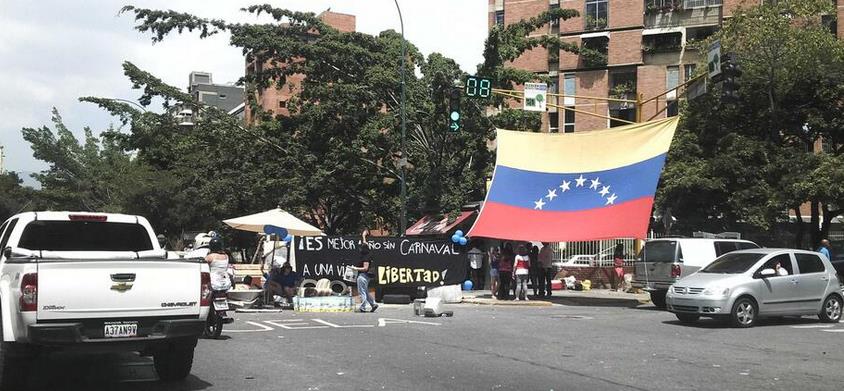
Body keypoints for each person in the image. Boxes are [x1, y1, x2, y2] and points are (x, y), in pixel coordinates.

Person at [353, 230, 378, 313]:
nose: (359, 249)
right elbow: (365, 244)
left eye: (360, 248)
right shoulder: (369, 253)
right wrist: (363, 236)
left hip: (363, 275)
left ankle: (363, 307)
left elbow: (365, 268)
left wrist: (355, 268)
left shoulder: (365, 258)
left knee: (362, 292)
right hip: (366, 276)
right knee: (365, 291)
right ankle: (373, 304)